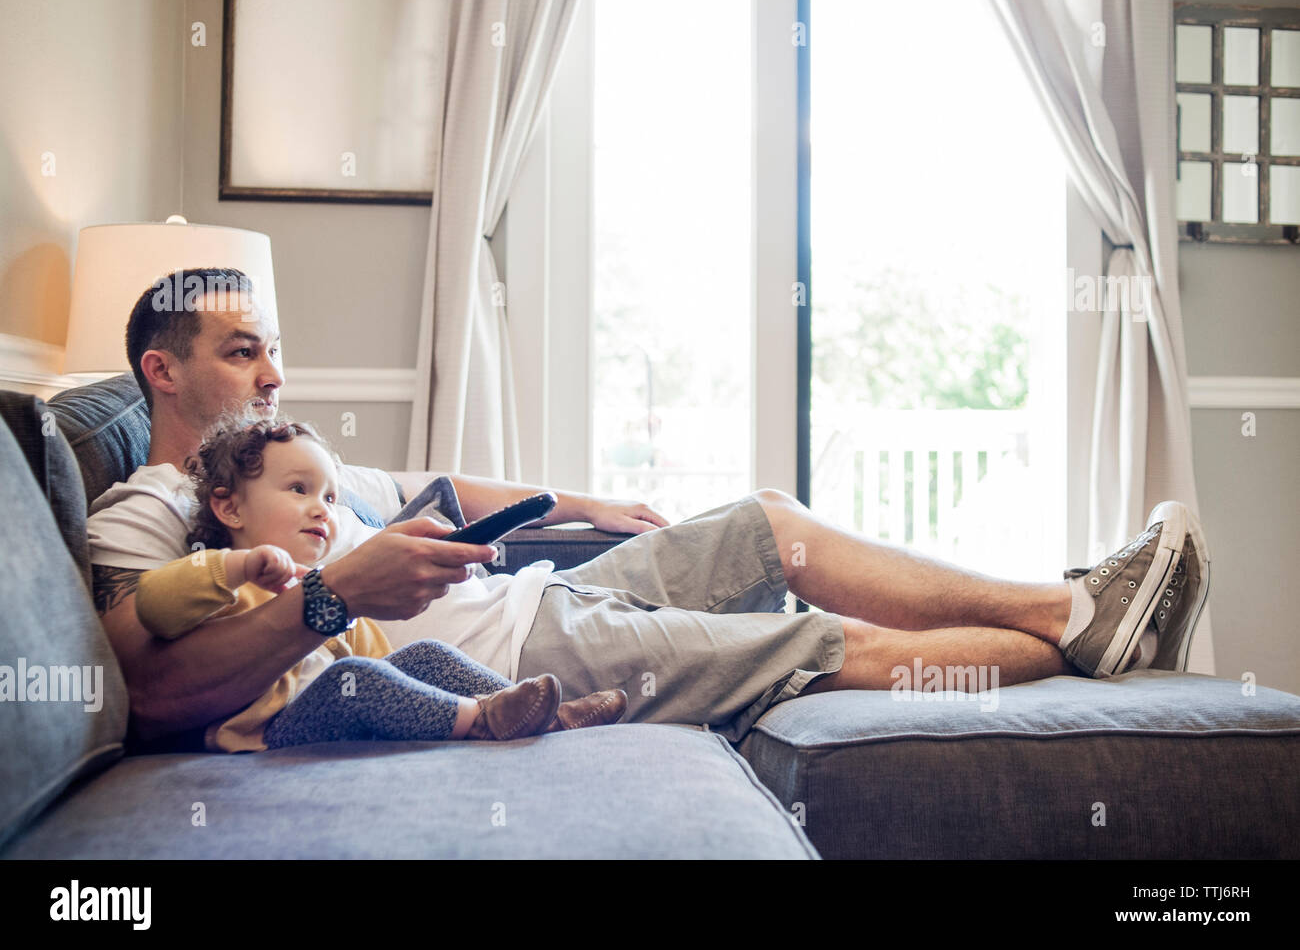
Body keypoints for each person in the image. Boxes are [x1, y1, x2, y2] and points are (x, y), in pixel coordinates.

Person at [89, 268, 1210, 748]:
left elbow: (436, 489)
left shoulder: (302, 463)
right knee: (816, 641)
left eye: (275, 350)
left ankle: (1069, 606)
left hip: (539, 588)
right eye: (244, 353)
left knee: (769, 521)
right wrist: (334, 595)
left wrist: (587, 500)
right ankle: (1074, 644)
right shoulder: (147, 506)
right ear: (162, 371)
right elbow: (149, 693)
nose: (275, 375)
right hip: (536, 647)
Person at [130, 413, 627, 752]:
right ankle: (482, 721)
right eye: (298, 490)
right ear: (229, 506)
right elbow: (154, 604)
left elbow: (374, 654)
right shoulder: (216, 572)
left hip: (330, 714)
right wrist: (237, 568)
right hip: (264, 733)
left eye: (328, 498)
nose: (319, 510)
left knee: (424, 656)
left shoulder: (317, 581)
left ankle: (531, 711)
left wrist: (353, 626)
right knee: (358, 683)